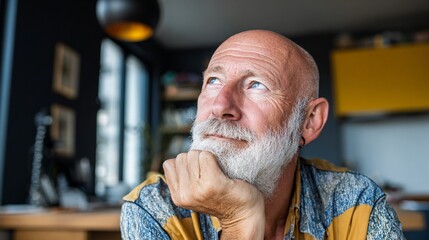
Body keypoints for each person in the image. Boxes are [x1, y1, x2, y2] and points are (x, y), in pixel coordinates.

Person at [120, 30, 404, 239]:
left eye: (256, 85)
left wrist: (238, 220)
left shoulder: (357, 205)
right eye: (213, 81)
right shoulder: (154, 208)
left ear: (310, 121)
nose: (220, 106)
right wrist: (240, 220)